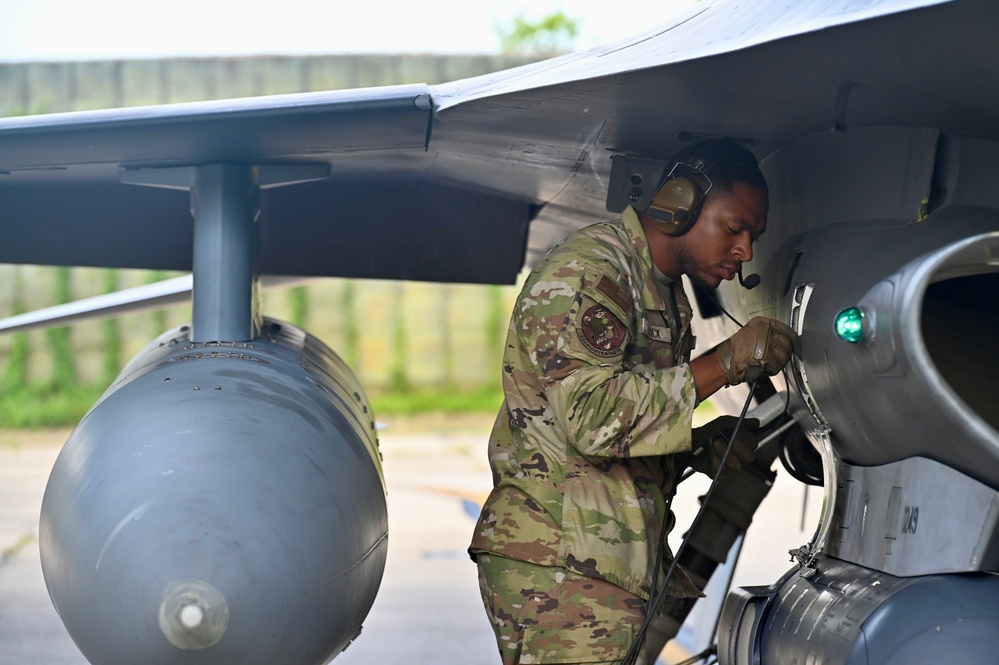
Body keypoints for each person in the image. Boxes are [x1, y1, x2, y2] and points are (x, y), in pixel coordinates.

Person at [469, 139, 797, 665]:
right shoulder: (593, 273)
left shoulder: (662, 290)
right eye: (734, 229)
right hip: (563, 562)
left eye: (753, 237)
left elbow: (621, 430)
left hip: (603, 560)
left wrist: (694, 446)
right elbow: (593, 420)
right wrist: (724, 363)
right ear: (679, 202)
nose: (745, 252)